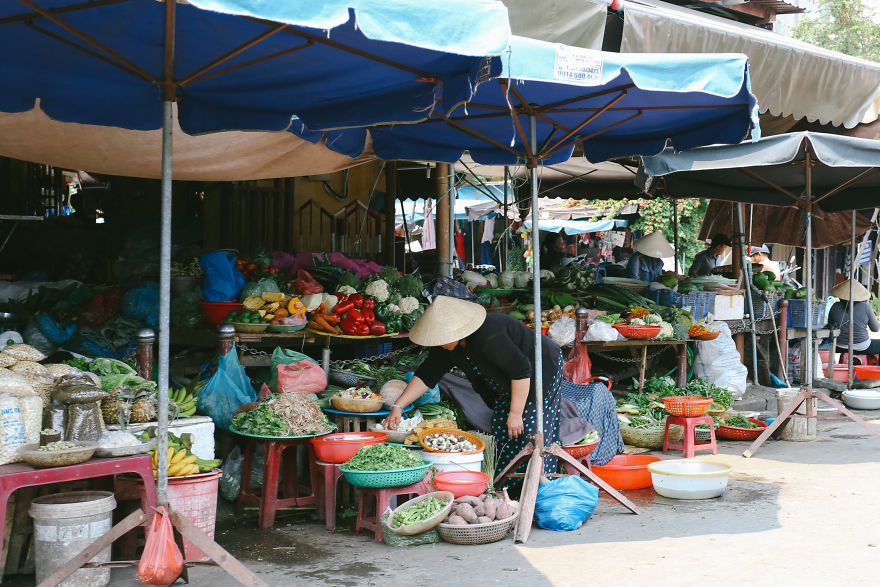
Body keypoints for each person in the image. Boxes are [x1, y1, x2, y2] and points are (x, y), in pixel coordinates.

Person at [383, 295, 563, 482]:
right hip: (508, 379)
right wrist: (398, 406)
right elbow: (427, 375)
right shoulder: (446, 346)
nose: (437, 343)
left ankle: (539, 484)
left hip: (539, 368)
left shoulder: (489, 335)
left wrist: (516, 413)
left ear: (456, 332)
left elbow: (521, 370)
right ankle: (508, 484)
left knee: (530, 427)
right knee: (504, 427)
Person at [826, 280, 880, 355]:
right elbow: (875, 329)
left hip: (838, 346)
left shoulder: (834, 306)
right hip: (862, 346)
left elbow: (830, 325)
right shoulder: (865, 306)